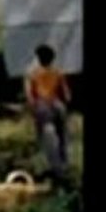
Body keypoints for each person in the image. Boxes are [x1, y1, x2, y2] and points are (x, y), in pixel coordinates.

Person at [25, 44, 73, 180]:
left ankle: (55, 168)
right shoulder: (58, 72)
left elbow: (30, 96)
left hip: (43, 107)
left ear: (38, 58)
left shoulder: (33, 74)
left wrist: (33, 109)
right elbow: (67, 95)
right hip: (58, 105)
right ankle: (65, 165)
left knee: (48, 138)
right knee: (63, 137)